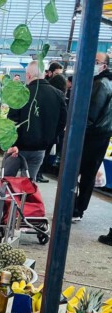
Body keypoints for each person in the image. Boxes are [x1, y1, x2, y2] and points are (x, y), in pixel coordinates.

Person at [5, 61, 67, 181]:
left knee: (7, 180)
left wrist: (12, 144)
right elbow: (62, 121)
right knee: (29, 183)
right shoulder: (58, 94)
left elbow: (11, 121)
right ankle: (24, 199)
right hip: (40, 148)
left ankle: (7, 199)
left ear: (28, 75)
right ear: (43, 74)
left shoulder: (20, 94)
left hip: (18, 148)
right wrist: (49, 138)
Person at [73, 52, 112, 222]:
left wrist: (77, 132)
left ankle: (76, 208)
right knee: (88, 174)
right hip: (101, 135)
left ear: (104, 66)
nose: (93, 64)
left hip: (93, 135)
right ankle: (78, 208)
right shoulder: (104, 82)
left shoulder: (102, 84)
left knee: (80, 172)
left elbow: (91, 114)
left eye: (96, 62)